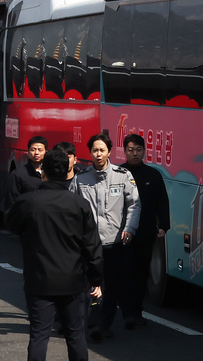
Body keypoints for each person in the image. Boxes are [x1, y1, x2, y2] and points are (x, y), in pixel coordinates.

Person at [6, 148, 103, 361]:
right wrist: (95, 279)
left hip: (39, 279)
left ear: (42, 171)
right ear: (68, 172)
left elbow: (11, 225)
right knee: (75, 335)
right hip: (72, 279)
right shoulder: (79, 204)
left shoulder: (28, 202)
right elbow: (92, 247)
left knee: (39, 335)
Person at [70, 134, 139, 342]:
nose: (98, 154)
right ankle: (90, 320)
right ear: (90, 153)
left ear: (109, 151)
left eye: (102, 150)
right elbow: (71, 208)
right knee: (89, 284)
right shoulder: (80, 179)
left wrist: (129, 228)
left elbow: (134, 204)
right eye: (94, 150)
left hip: (114, 242)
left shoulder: (123, 175)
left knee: (112, 285)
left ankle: (104, 324)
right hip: (89, 244)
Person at [122, 134, 170, 329]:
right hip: (123, 235)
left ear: (144, 151)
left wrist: (164, 225)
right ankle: (127, 313)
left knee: (142, 274)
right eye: (130, 150)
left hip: (145, 232)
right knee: (126, 274)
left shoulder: (153, 175)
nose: (135, 153)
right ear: (125, 151)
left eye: (138, 150)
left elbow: (162, 202)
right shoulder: (119, 173)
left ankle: (137, 311)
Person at [0, 136, 47, 214]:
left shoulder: (51, 173)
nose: (36, 153)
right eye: (33, 150)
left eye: (40, 150)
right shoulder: (18, 174)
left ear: (46, 152)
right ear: (28, 152)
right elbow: (11, 201)